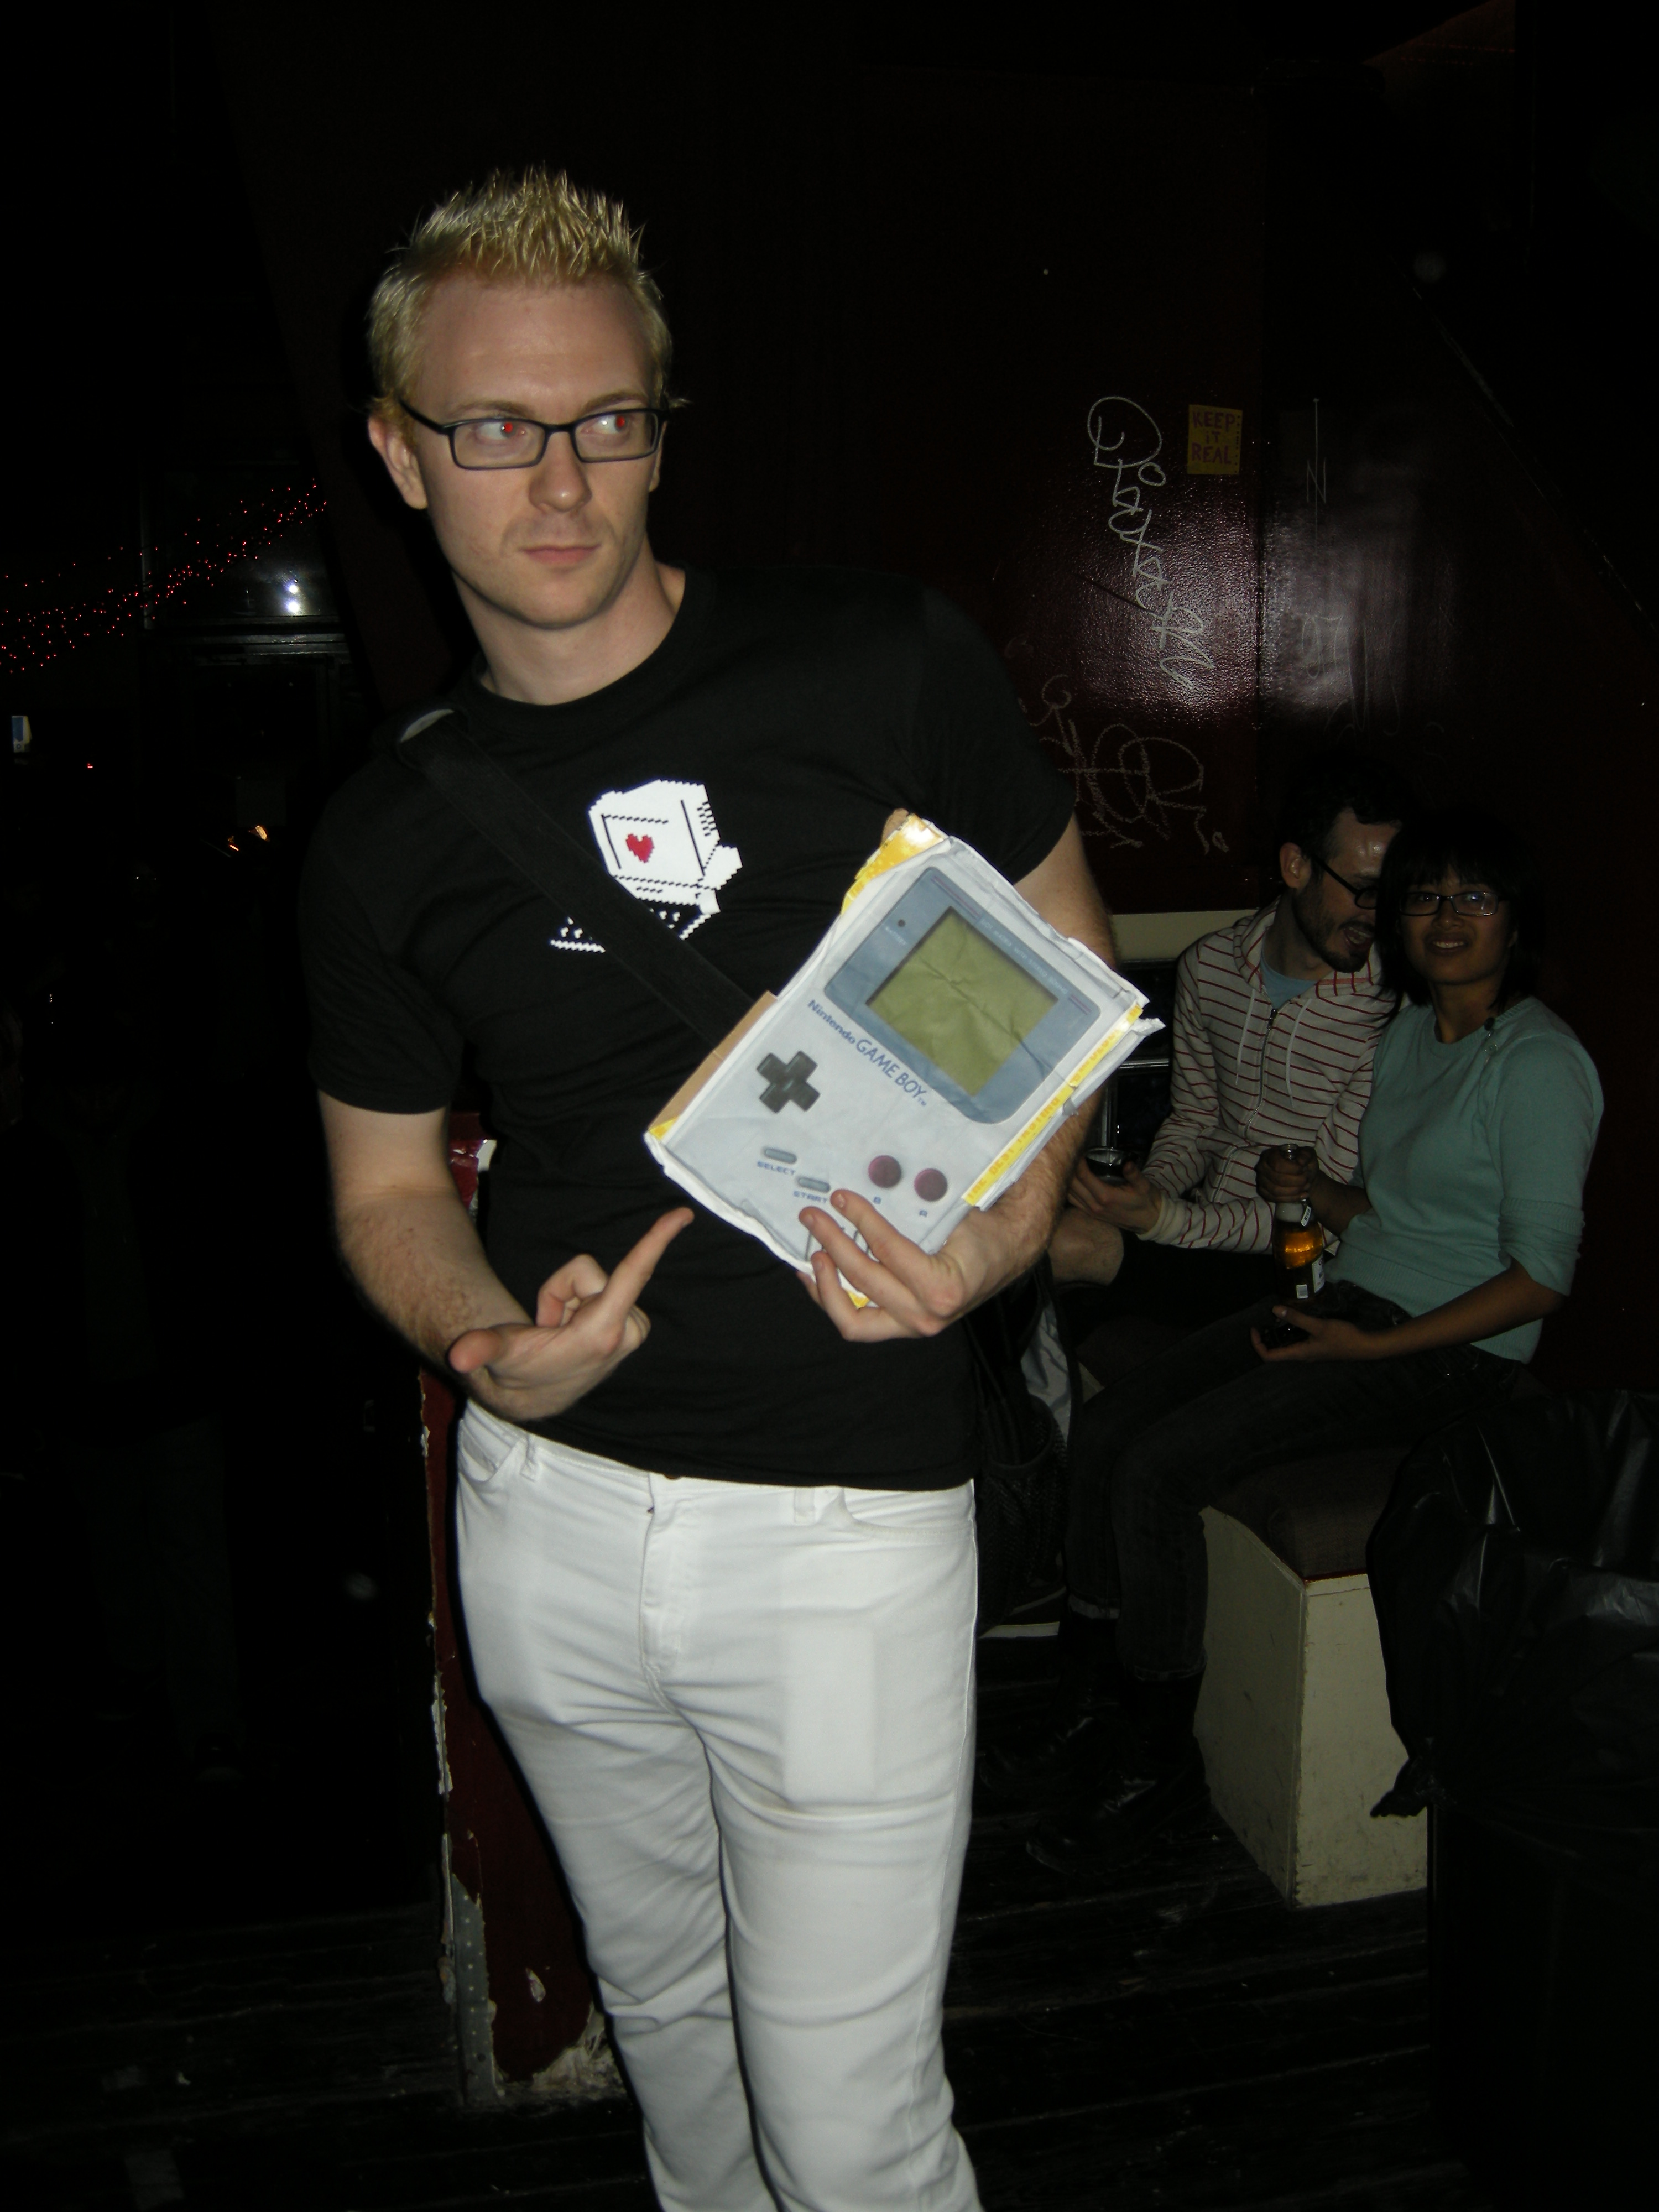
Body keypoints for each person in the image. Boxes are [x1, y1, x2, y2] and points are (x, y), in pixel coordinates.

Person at [299, 169, 1114, 2212]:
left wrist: (1002, 1233)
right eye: (495, 425)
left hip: (841, 1519)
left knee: (849, 2134)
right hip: (549, 1525)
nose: (559, 477)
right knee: (673, 2049)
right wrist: (486, 1339)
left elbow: (1062, 982)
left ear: (661, 426)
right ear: (400, 451)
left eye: (605, 417)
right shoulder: (383, 829)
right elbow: (386, 1187)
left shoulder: (877, 662)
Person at [1022, 805, 1601, 1875]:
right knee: (1110, 1431)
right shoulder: (1412, 1034)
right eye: (1424, 897)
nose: (1444, 918)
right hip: (1356, 1299)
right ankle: (1091, 1698)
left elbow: (1539, 1280)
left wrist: (1377, 1352)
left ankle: (1159, 1762)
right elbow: (1397, 1213)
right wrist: (1317, 1191)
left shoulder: (1537, 1063)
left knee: (1160, 1469)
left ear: (1518, 922)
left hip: (1450, 1356)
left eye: (1475, 898)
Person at [1051, 749, 1413, 1315]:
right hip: (1200, 1227)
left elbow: (1320, 1203)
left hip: (1297, 1259)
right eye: (1365, 889)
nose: (1380, 914)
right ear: (1296, 867)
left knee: (1066, 1247)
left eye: (1395, 893)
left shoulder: (1388, 1012)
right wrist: (1142, 1192)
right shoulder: (1209, 966)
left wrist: (1164, 1220)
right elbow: (1195, 1123)